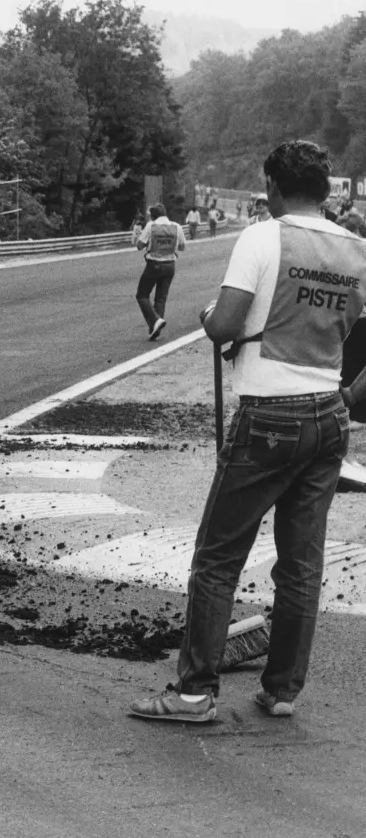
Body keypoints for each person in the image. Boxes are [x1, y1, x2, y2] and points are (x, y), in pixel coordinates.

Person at [131, 140, 366, 723]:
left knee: (217, 558)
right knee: (302, 564)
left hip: (268, 419)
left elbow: (227, 323)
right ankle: (282, 689)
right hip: (329, 418)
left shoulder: (264, 236)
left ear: (273, 187)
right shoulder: (358, 249)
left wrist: (210, 319)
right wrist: (350, 398)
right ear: (327, 189)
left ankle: (192, 694)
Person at [133, 203, 186, 341]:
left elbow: (139, 246)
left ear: (153, 215)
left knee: (142, 295)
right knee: (161, 299)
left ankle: (155, 320)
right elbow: (182, 247)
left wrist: (138, 235)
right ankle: (155, 330)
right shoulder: (176, 226)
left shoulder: (151, 226)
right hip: (170, 265)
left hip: (154, 264)